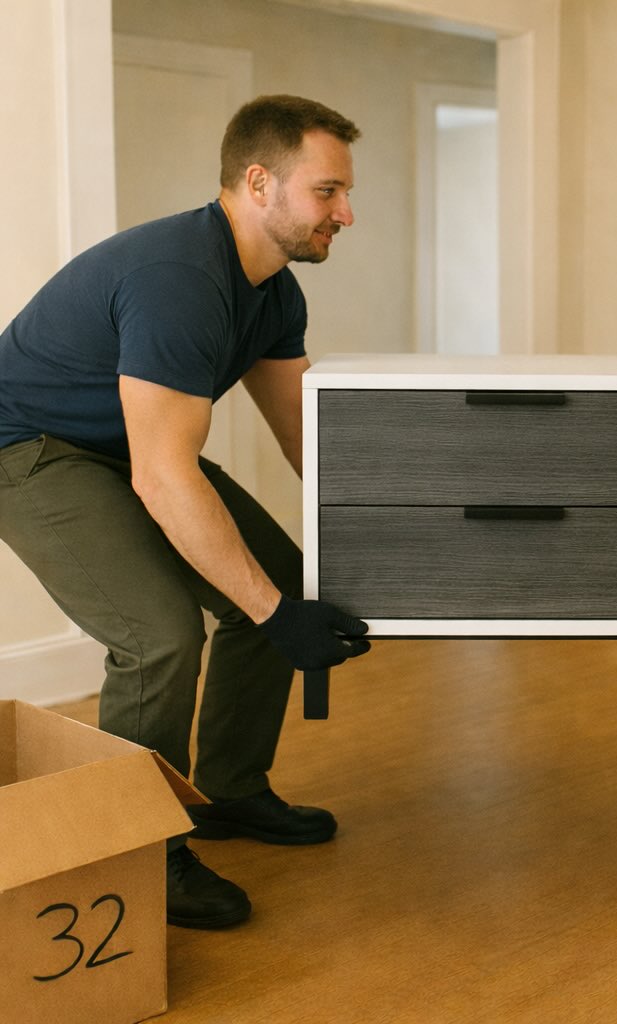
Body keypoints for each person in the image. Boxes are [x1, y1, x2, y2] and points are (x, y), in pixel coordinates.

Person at [0, 95, 371, 929]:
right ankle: (137, 848)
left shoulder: (273, 293)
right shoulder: (180, 280)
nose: (346, 214)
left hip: (124, 444)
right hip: (26, 449)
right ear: (259, 183)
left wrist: (378, 546)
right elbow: (164, 479)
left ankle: (230, 790)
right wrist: (276, 616)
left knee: (279, 579)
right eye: (328, 191)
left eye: (346, 193)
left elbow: (305, 440)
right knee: (157, 635)